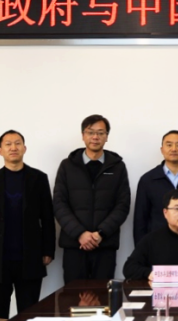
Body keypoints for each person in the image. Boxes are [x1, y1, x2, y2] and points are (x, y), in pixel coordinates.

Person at [0, 130, 55, 318]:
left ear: (24, 148)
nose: (13, 148)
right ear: (0, 150)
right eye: (8, 144)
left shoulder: (38, 179)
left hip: (30, 256)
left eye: (17, 143)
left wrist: (48, 250)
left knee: (28, 317)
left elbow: (48, 218)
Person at [52, 114, 131, 282]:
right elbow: (59, 204)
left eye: (101, 133)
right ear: (83, 135)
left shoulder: (117, 167)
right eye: (90, 132)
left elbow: (123, 205)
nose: (95, 137)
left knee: (103, 294)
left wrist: (100, 234)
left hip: (105, 244)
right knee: (73, 295)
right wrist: (80, 234)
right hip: (74, 244)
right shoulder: (67, 165)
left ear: (107, 136)